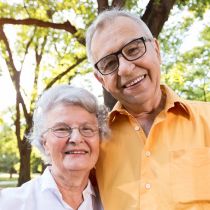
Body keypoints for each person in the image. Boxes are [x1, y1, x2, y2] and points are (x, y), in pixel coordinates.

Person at [86, 8, 210, 210]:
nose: (125, 68)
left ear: (157, 50)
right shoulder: (93, 144)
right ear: (101, 79)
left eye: (133, 49)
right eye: (109, 63)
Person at [0, 84, 110, 210]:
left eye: (87, 129)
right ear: (44, 143)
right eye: (62, 129)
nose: (76, 138)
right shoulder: (10, 204)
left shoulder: (114, 202)